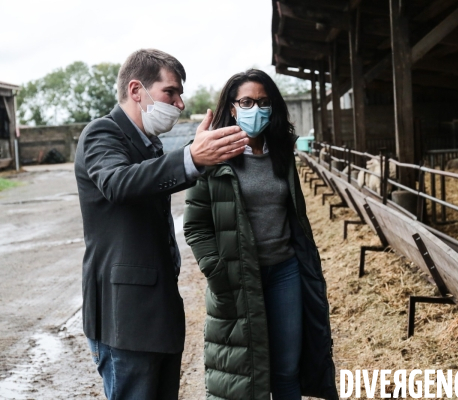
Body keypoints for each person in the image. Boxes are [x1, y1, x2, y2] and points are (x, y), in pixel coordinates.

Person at [74, 48, 249, 400]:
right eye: (171, 92)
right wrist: (192, 157)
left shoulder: (148, 144)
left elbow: (154, 173)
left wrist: (202, 149)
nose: (180, 103)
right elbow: (118, 183)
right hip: (125, 319)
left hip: (157, 315)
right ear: (137, 90)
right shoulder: (101, 134)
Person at [183, 69, 338, 400]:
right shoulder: (213, 155)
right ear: (233, 107)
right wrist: (217, 270)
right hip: (237, 276)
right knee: (244, 376)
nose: (257, 109)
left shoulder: (282, 152)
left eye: (264, 102)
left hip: (285, 270)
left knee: (286, 369)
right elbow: (195, 225)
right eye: (248, 101)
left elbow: (292, 213)